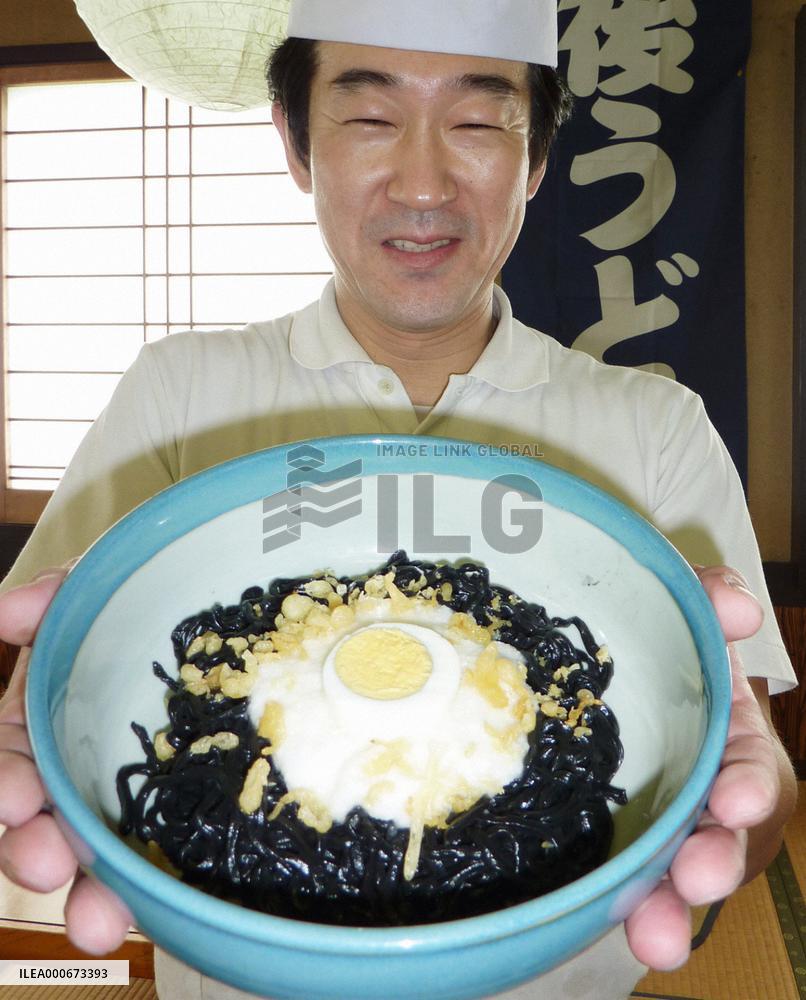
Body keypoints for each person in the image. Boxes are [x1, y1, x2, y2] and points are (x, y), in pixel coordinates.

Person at [0, 1, 797, 997]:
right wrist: (54, 691)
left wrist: (728, 807)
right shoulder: (178, 395)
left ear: (537, 157)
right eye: (370, 119)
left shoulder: (656, 427)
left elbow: (749, 783)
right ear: (295, 142)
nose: (422, 183)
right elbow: (72, 677)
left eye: (475, 122)